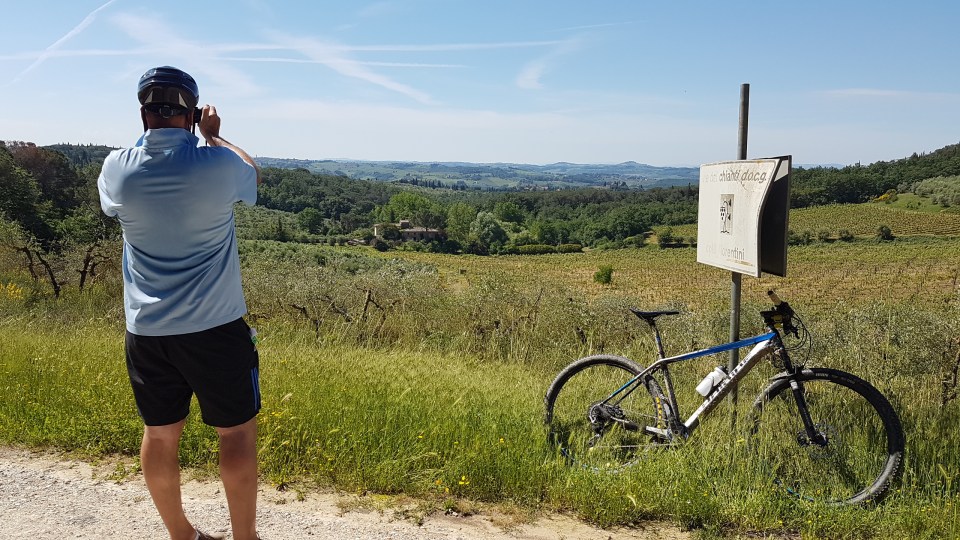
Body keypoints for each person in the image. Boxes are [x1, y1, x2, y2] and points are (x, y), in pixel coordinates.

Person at [98, 66, 262, 540]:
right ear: (192, 114)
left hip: (147, 331)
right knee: (235, 434)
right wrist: (216, 136)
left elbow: (114, 203)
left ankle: (180, 534)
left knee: (161, 434)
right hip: (216, 329)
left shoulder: (116, 168)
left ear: (143, 111)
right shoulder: (216, 165)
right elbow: (253, 173)